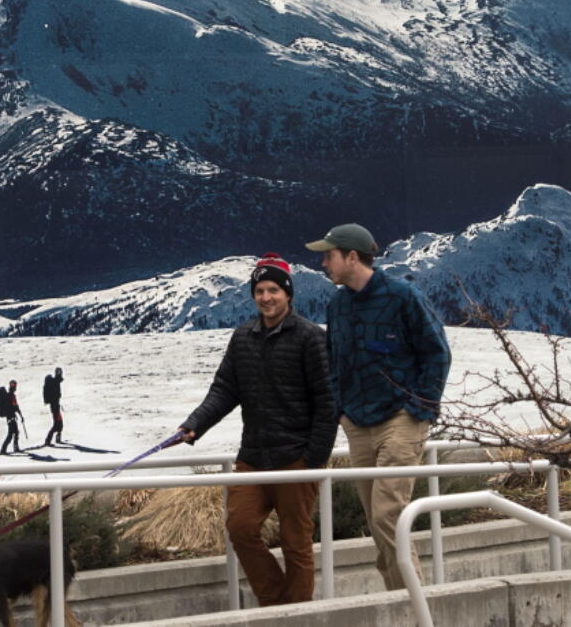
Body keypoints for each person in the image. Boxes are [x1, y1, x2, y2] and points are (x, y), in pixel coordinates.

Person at [177, 253, 337, 606]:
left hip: (296, 458)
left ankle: (296, 616)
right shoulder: (243, 337)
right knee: (240, 529)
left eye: (273, 290)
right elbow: (224, 390)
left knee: (297, 543)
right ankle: (277, 604)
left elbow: (328, 403)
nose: (266, 297)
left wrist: (313, 459)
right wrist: (194, 425)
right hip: (253, 457)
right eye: (260, 290)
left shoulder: (310, 338)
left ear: (288, 294)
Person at [305, 223, 451, 591]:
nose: (323, 263)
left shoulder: (402, 296)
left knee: (389, 513)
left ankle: (416, 609)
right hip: (358, 422)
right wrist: (342, 410)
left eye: (329, 255)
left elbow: (437, 353)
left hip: (401, 419)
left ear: (352, 257)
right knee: (376, 520)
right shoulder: (337, 306)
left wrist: (420, 408)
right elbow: (333, 360)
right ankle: (401, 600)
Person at [0, 379, 24, 455]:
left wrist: (20, 415)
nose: (14, 387)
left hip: (11, 417)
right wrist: (20, 415)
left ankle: (12, 447)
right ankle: (4, 449)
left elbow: (16, 406)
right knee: (11, 434)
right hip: (10, 417)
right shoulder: (10, 396)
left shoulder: (12, 395)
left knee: (15, 432)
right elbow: (14, 407)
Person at [44, 367, 65, 446]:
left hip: (55, 406)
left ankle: (56, 438)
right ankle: (48, 440)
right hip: (55, 406)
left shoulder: (56, 382)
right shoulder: (55, 382)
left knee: (59, 423)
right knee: (57, 424)